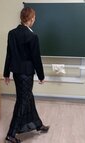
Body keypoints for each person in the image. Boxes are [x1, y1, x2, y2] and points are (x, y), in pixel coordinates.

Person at [3, 7, 50, 143]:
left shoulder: (12, 33)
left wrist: (6, 73)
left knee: (28, 97)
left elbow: (9, 54)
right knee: (22, 101)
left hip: (17, 73)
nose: (34, 20)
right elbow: (36, 58)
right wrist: (41, 76)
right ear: (30, 19)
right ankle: (11, 135)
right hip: (27, 74)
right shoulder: (32, 36)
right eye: (34, 18)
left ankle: (38, 124)